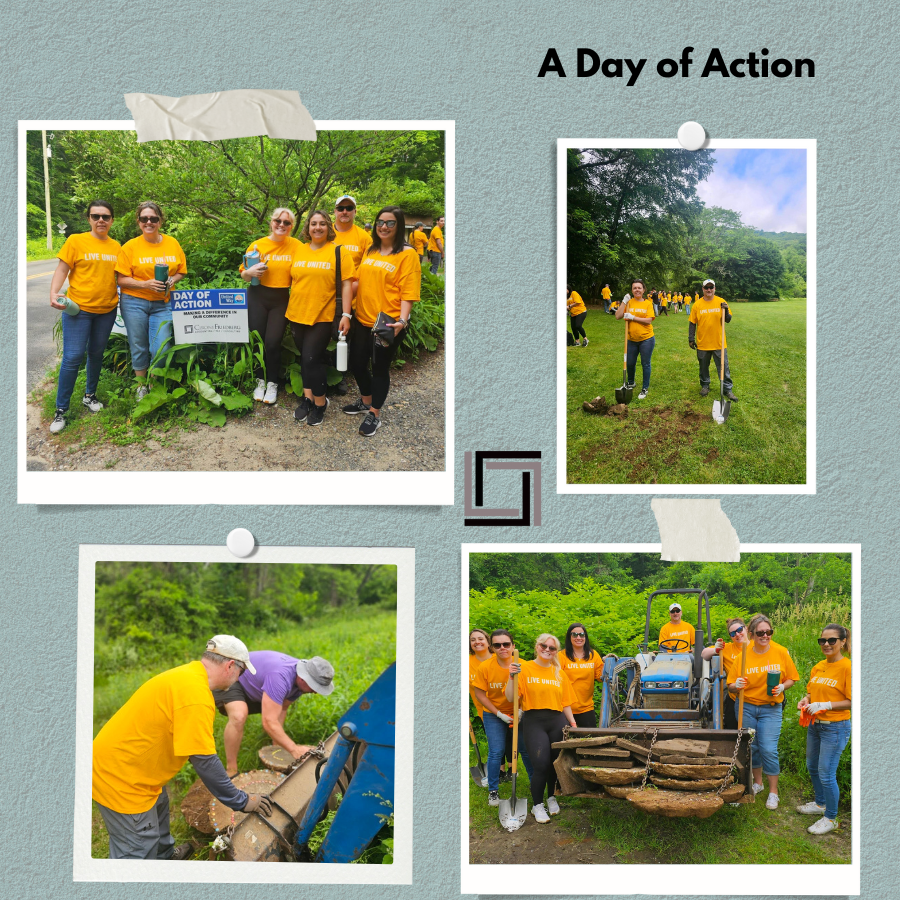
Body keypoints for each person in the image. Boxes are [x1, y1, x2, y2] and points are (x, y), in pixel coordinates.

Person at [92, 635, 273, 860]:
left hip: (134, 766)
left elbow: (188, 741)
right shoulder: (195, 696)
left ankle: (165, 858)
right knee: (136, 850)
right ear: (229, 666)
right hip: (121, 777)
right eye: (241, 672)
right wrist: (242, 801)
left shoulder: (187, 675)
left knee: (159, 806)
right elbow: (204, 761)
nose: (239, 679)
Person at [343, 206, 422, 437]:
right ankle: (366, 401)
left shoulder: (408, 254)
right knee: (357, 364)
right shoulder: (371, 250)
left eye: (390, 223)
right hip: (362, 319)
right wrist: (338, 295)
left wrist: (402, 321)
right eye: (380, 222)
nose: (383, 227)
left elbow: (408, 293)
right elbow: (358, 282)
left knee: (379, 369)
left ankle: (375, 413)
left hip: (387, 324)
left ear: (399, 226)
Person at [48, 200, 122, 434]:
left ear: (111, 220)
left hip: (107, 310)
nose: (101, 220)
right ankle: (61, 409)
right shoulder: (75, 241)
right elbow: (62, 269)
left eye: (106, 216)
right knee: (72, 357)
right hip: (78, 310)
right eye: (96, 216)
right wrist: (54, 292)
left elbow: (121, 277)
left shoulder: (116, 246)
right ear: (88, 218)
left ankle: (90, 396)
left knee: (96, 353)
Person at [212, 651, 335, 776]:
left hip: (255, 687)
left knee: (273, 710)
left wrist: (277, 743)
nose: (315, 692)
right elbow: (269, 722)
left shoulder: (300, 683)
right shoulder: (280, 677)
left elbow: (282, 708)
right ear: (303, 678)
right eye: (314, 687)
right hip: (231, 675)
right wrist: (294, 749)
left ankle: (275, 744)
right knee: (239, 716)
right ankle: (231, 769)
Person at [285, 210, 355, 427]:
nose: (317, 227)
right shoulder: (299, 250)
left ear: (328, 227)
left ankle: (321, 402)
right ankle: (307, 399)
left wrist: (346, 314)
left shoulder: (338, 252)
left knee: (311, 359)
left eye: (322, 224)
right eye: (313, 224)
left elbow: (346, 284)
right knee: (304, 360)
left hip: (323, 316)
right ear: (308, 227)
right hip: (296, 313)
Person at [115, 202, 186, 400]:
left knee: (162, 346)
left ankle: (154, 383)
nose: (149, 222)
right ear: (138, 222)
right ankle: (141, 385)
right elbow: (121, 279)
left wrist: (173, 280)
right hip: (134, 302)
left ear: (160, 221)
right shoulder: (130, 246)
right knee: (138, 344)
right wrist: (145, 284)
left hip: (163, 303)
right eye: (144, 219)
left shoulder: (172, 243)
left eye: (153, 219)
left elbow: (181, 271)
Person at [729, 613, 799, 811]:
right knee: (753, 747)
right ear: (751, 634)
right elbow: (731, 686)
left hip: (771, 708)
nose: (765, 636)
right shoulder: (743, 653)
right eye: (760, 632)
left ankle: (773, 792)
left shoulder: (780, 652)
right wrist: (737, 684)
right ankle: (758, 783)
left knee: (769, 748)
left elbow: (792, 678)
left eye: (769, 632)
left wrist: (783, 687)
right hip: (747, 706)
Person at [507, 633, 576, 824]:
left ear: (556, 651)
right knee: (540, 764)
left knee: (555, 762)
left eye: (552, 648)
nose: (547, 650)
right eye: (543, 646)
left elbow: (566, 703)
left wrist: (573, 724)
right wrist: (511, 677)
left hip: (557, 720)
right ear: (537, 646)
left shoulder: (559, 673)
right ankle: (537, 804)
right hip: (534, 721)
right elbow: (511, 698)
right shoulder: (524, 668)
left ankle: (551, 796)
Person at [240, 208, 303, 406]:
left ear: (291, 226)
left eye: (286, 222)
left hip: (281, 298)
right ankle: (260, 380)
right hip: (257, 295)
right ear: (271, 222)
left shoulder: (297, 246)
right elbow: (244, 275)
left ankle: (273, 382)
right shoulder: (258, 245)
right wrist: (250, 271)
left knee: (273, 342)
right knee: (258, 340)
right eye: (278, 221)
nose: (281, 225)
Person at [796, 624, 851, 835]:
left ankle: (831, 818)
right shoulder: (818, 667)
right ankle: (820, 804)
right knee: (812, 766)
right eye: (822, 641)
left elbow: (853, 700)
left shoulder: (848, 667)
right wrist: (806, 700)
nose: (826, 644)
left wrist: (826, 705)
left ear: (843, 642)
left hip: (836, 727)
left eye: (831, 640)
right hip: (815, 725)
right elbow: (812, 693)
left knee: (826, 773)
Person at [471, 629, 535, 806]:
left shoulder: (524, 666)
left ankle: (534, 785)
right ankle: (493, 791)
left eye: (506, 644)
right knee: (496, 751)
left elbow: (531, 691)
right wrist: (498, 714)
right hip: (494, 713)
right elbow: (480, 695)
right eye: (497, 645)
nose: (502, 648)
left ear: (513, 646)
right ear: (492, 647)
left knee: (525, 750)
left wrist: (522, 710)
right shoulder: (485, 667)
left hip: (520, 713)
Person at [689, 279, 738, 401]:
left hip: (719, 343)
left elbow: (727, 319)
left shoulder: (721, 302)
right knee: (703, 366)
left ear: (714, 288)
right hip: (703, 342)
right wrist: (691, 338)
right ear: (703, 289)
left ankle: (727, 389)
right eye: (707, 288)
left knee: (723, 367)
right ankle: (705, 385)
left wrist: (726, 310)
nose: (709, 290)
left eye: (711, 287)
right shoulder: (697, 305)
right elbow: (692, 323)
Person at [702, 617, 749, 728]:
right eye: (733, 633)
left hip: (756, 696)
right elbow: (704, 654)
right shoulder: (727, 648)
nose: (737, 635)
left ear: (746, 629)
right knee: (732, 727)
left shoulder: (757, 647)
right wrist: (715, 650)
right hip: (735, 696)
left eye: (739, 630)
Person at [615, 278, 655, 400]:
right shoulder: (629, 302)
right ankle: (631, 382)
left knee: (645, 363)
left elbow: (649, 320)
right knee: (630, 363)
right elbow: (618, 316)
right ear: (632, 290)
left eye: (639, 287)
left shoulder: (648, 303)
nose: (637, 290)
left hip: (646, 339)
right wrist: (624, 302)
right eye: (634, 288)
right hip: (631, 339)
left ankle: (645, 388)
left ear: (643, 290)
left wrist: (633, 317)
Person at [559, 623, 604, 728]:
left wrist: (607, 665)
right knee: (563, 742)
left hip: (586, 708)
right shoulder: (561, 656)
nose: (578, 637)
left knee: (590, 740)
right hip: (565, 708)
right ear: (569, 637)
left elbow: (600, 677)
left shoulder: (593, 655)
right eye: (574, 635)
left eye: (581, 634)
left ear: (585, 637)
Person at [332, 195, 372, 305]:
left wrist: (348, 298)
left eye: (349, 208)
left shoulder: (365, 238)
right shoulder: (325, 233)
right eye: (340, 209)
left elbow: (366, 271)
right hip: (324, 296)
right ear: (335, 211)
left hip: (352, 300)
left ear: (355, 211)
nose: (344, 212)